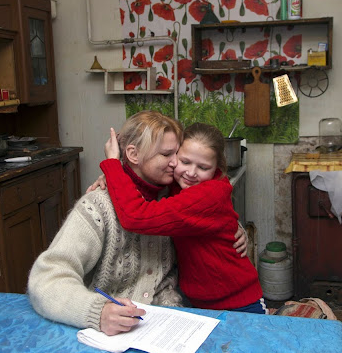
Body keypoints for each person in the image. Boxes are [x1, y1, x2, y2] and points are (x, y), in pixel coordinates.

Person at [27, 110, 247, 336]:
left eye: (177, 154)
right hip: (107, 334)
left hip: (166, 326)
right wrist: (97, 312)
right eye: (167, 154)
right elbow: (46, 280)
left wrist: (233, 226)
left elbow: (207, 210)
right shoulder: (99, 206)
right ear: (133, 154)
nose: (176, 163)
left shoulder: (171, 194)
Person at [100, 122, 265, 314]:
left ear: (216, 168)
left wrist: (112, 164)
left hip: (240, 303)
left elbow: (135, 217)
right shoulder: (178, 183)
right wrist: (112, 175)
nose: (191, 173)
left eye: (203, 167)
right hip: (199, 301)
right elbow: (145, 177)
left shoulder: (207, 193)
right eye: (185, 162)